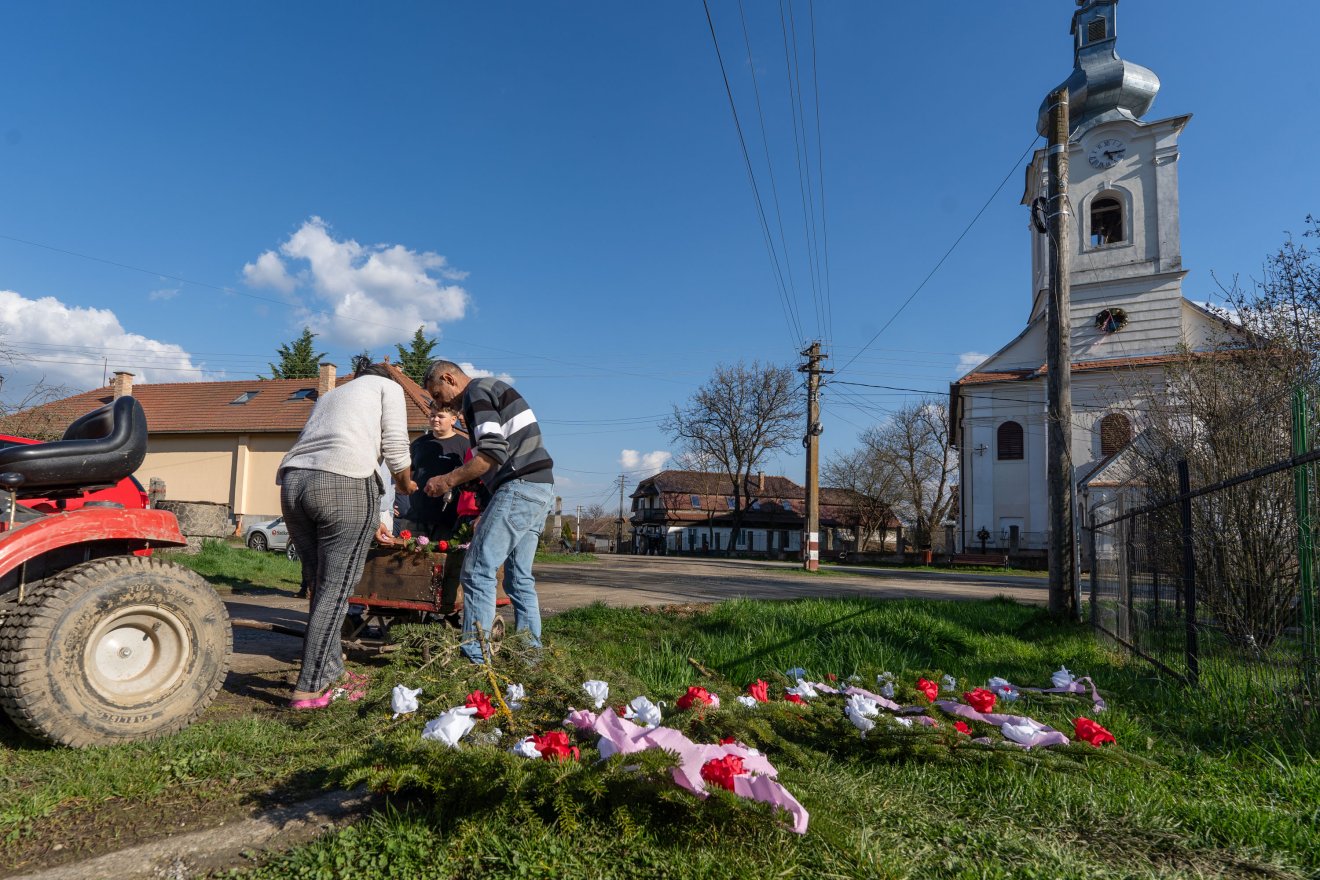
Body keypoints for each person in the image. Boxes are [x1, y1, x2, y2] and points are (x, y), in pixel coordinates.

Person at [278, 362, 415, 708]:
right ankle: (310, 688)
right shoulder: (390, 389)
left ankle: (335, 671)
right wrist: (406, 484)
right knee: (336, 591)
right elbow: (397, 449)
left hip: (294, 482)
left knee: (318, 583)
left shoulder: (333, 394)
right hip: (344, 482)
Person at [422, 359, 555, 663]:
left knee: (478, 568)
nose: (439, 403)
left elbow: (492, 453)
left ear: (448, 378)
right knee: (518, 579)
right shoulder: (493, 389)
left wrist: (447, 480)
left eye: (438, 395)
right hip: (540, 487)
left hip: (520, 486)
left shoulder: (476, 392)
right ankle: (529, 658)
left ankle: (477, 662)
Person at [405, 402, 474, 621]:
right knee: (412, 563)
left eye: (440, 416)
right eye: (432, 415)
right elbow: (408, 474)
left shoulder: (463, 446)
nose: (435, 419)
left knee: (443, 565)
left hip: (448, 517)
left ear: (453, 419)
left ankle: (442, 614)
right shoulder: (419, 444)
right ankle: (411, 611)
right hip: (417, 514)